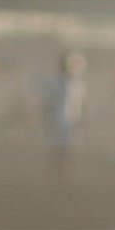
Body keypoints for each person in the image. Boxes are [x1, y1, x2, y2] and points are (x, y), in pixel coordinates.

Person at [44, 51, 87, 181]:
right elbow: (50, 102)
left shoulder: (75, 83)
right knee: (61, 147)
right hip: (60, 118)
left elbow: (81, 102)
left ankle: (64, 172)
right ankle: (60, 172)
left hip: (70, 118)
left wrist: (82, 118)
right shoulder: (58, 82)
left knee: (67, 147)